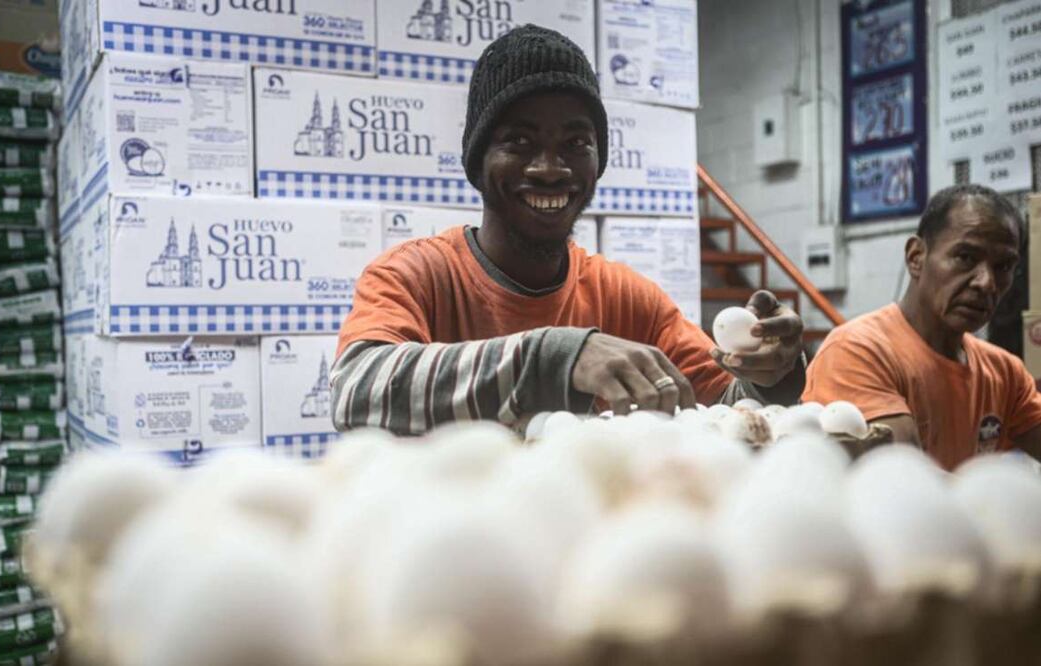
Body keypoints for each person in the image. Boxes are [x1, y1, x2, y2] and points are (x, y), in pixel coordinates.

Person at [331, 25, 806, 436]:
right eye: (519, 141)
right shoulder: (415, 275)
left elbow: (723, 406)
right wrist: (554, 357)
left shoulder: (627, 299)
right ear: (478, 160)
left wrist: (769, 374)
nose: (550, 168)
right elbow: (356, 390)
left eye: (576, 143)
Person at [803, 184, 1041, 468]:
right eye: (965, 257)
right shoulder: (857, 350)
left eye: (1003, 267)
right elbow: (907, 480)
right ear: (916, 257)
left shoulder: (1004, 373)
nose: (986, 282)